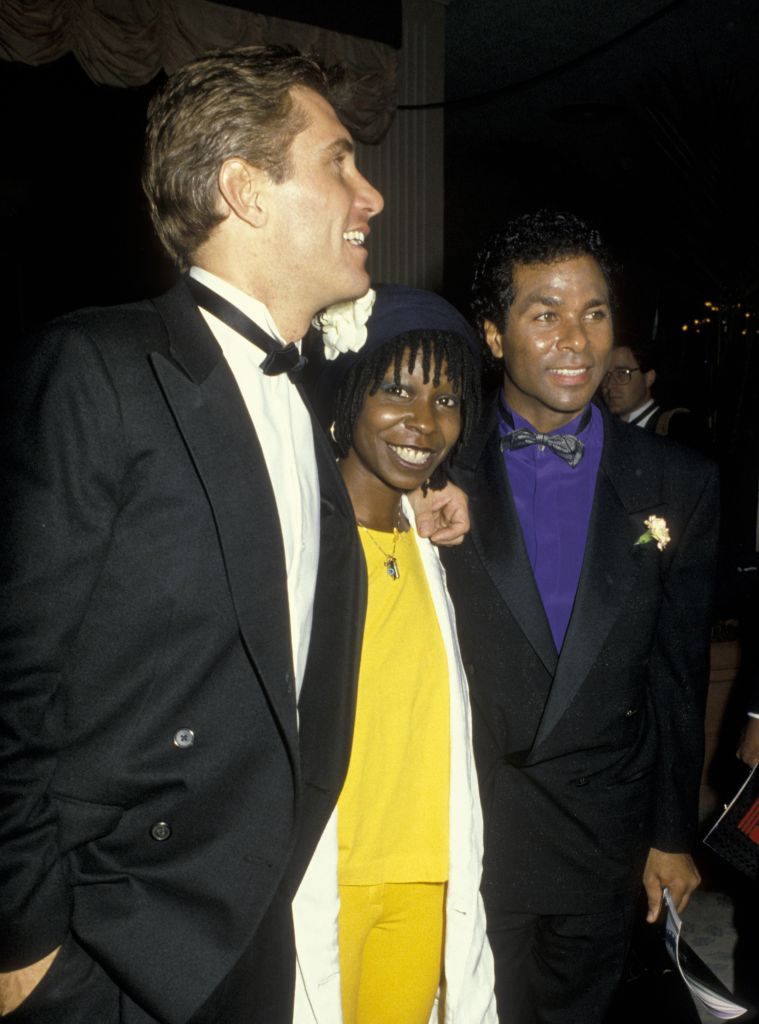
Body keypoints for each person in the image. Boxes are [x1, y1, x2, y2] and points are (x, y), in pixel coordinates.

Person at [0, 45, 467, 1024]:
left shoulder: (307, 412)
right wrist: (26, 951)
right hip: (104, 959)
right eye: (339, 161)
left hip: (254, 941)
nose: (371, 194)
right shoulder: (100, 368)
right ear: (246, 190)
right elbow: (12, 685)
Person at [440, 210, 720, 1024]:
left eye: (594, 312)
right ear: (493, 335)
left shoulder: (678, 482)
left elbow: (676, 672)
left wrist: (671, 835)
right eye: (545, 313)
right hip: (468, 826)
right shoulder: (429, 463)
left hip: (602, 832)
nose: (577, 339)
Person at [292, 284, 496, 1024]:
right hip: (320, 880)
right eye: (397, 389)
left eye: (445, 399)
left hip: (424, 879)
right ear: (347, 395)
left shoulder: (437, 546)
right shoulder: (296, 543)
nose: (424, 420)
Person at [601, 341, 710, 450]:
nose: (609, 385)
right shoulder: (601, 429)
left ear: (649, 378)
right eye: (605, 375)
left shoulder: (679, 429)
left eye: (622, 373)